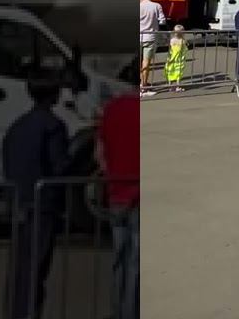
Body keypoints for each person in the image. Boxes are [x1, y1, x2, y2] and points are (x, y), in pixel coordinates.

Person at [2, 82, 70, 319]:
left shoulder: (17, 126)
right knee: (37, 268)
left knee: (21, 267)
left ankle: (17, 312)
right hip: (42, 204)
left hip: (19, 202)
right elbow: (59, 167)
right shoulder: (53, 126)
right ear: (53, 94)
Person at [97, 88, 139, 319]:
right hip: (139, 194)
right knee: (134, 262)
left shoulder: (111, 108)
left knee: (119, 260)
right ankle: (130, 312)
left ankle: (118, 310)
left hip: (117, 194)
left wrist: (111, 175)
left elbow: (100, 154)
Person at [139, 0, 166, 97]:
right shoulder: (156, 6)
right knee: (146, 62)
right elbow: (162, 21)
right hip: (150, 37)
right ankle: (143, 86)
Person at [164, 25, 187, 92]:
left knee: (170, 71)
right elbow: (184, 49)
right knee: (178, 72)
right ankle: (177, 86)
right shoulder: (183, 41)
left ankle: (170, 86)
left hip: (172, 58)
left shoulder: (173, 40)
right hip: (178, 58)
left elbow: (170, 49)